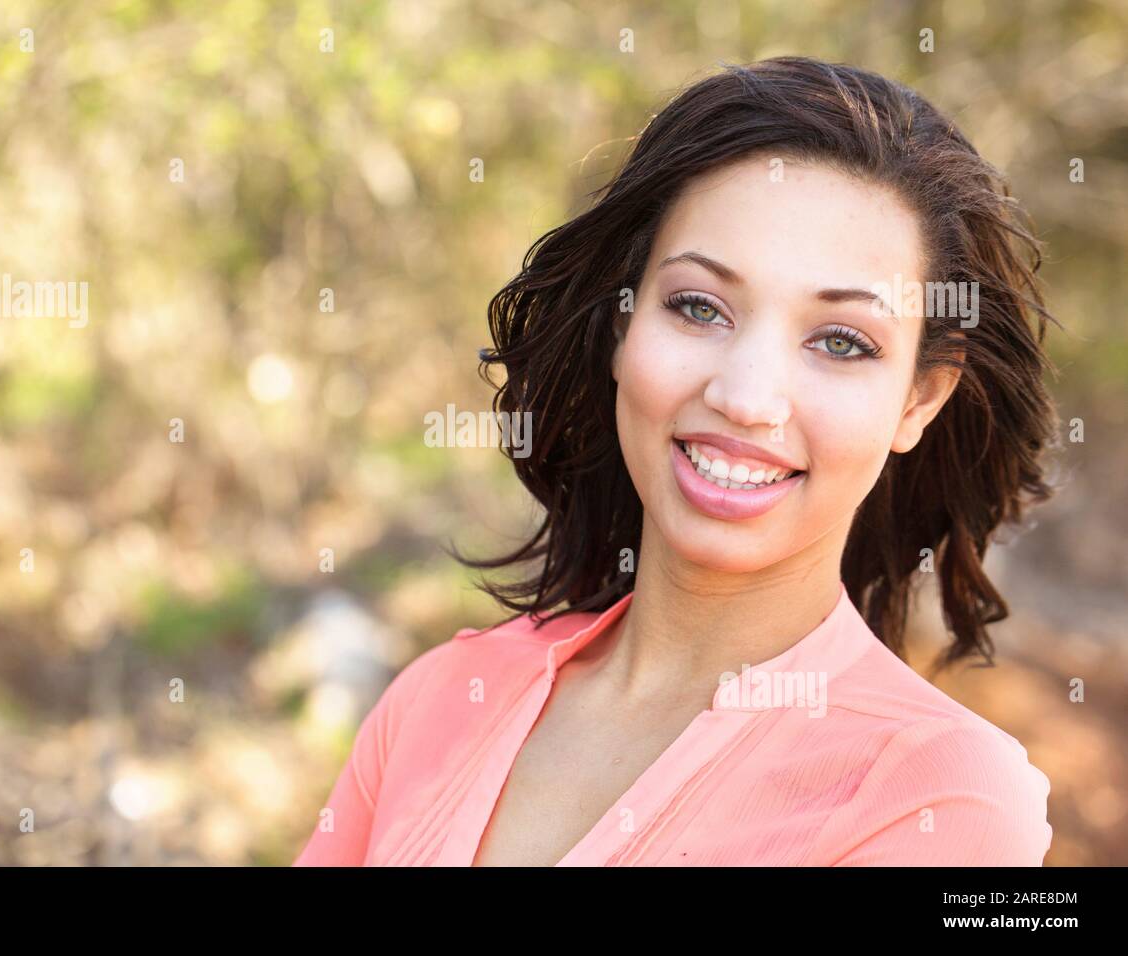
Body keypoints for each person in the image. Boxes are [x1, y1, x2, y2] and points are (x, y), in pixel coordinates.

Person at [293, 56, 1063, 867]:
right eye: (699, 307)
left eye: (842, 342)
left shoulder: (941, 799)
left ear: (919, 401)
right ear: (623, 328)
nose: (746, 397)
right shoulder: (439, 699)